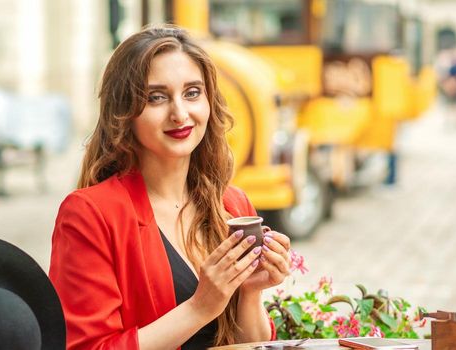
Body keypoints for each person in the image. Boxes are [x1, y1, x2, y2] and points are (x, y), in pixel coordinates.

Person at [49, 25, 292, 349]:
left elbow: (249, 344)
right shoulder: (90, 214)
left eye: (192, 93)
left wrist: (250, 291)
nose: (180, 113)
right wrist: (199, 308)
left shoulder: (233, 205)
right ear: (124, 114)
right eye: (157, 97)